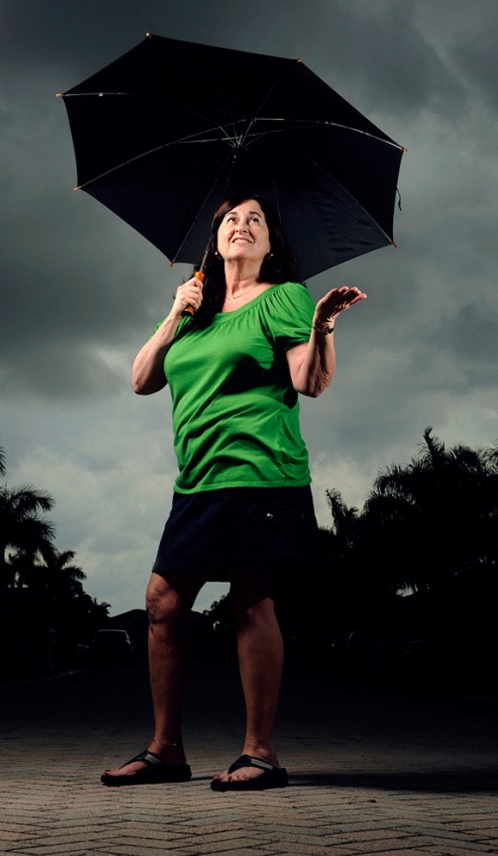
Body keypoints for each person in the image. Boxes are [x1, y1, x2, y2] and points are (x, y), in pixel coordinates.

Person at [101, 192, 366, 791]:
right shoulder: (195, 308)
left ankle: (260, 753)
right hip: (197, 481)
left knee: (251, 601)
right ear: (214, 239)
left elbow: (310, 382)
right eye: (230, 220)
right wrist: (174, 313)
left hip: (260, 474)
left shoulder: (285, 297)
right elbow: (142, 379)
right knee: (163, 603)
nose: (241, 226)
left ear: (271, 242)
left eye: (256, 220)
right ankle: (166, 751)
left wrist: (322, 326)